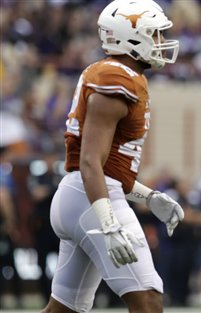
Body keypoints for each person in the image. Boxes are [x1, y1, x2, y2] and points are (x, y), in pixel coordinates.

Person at [41, 1, 184, 312]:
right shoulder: (115, 79)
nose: (161, 43)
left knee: (62, 309)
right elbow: (91, 160)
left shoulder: (119, 75)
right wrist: (108, 223)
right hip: (92, 197)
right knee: (148, 300)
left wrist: (147, 196)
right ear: (131, 38)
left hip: (83, 194)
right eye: (155, 35)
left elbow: (106, 166)